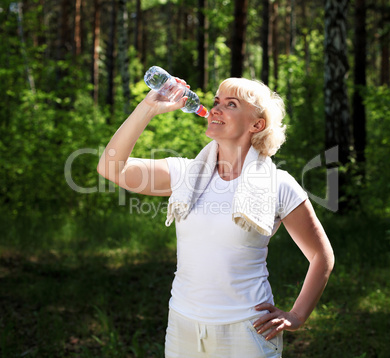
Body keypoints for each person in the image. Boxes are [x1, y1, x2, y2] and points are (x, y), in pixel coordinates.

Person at [97, 77, 335, 358]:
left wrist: (297, 316)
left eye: (231, 104)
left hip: (247, 330)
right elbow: (111, 167)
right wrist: (148, 108)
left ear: (256, 125)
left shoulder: (279, 184)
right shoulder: (184, 174)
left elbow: (322, 256)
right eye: (216, 102)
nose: (216, 109)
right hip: (183, 325)